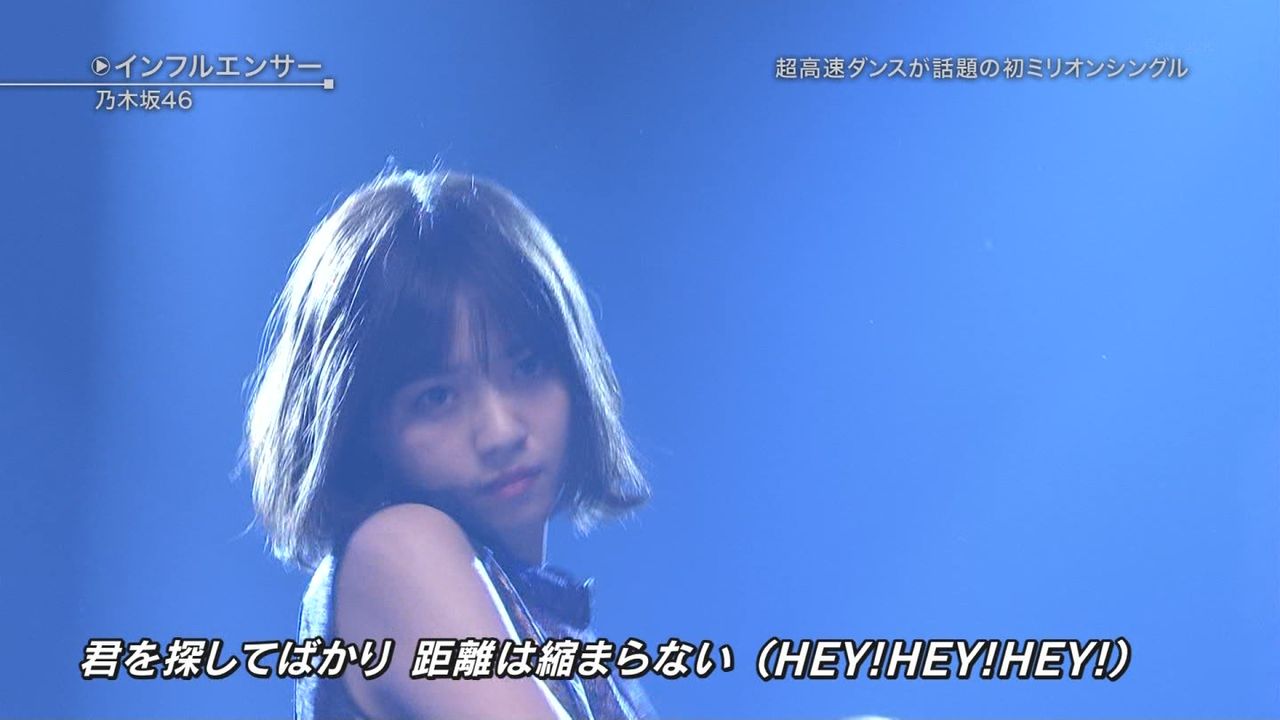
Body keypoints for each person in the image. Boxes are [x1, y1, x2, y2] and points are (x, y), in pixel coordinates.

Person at [243, 167, 657, 720]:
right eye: (437, 397)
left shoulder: (530, 608)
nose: (501, 433)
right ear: (359, 427)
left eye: (527, 367)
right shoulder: (399, 548)